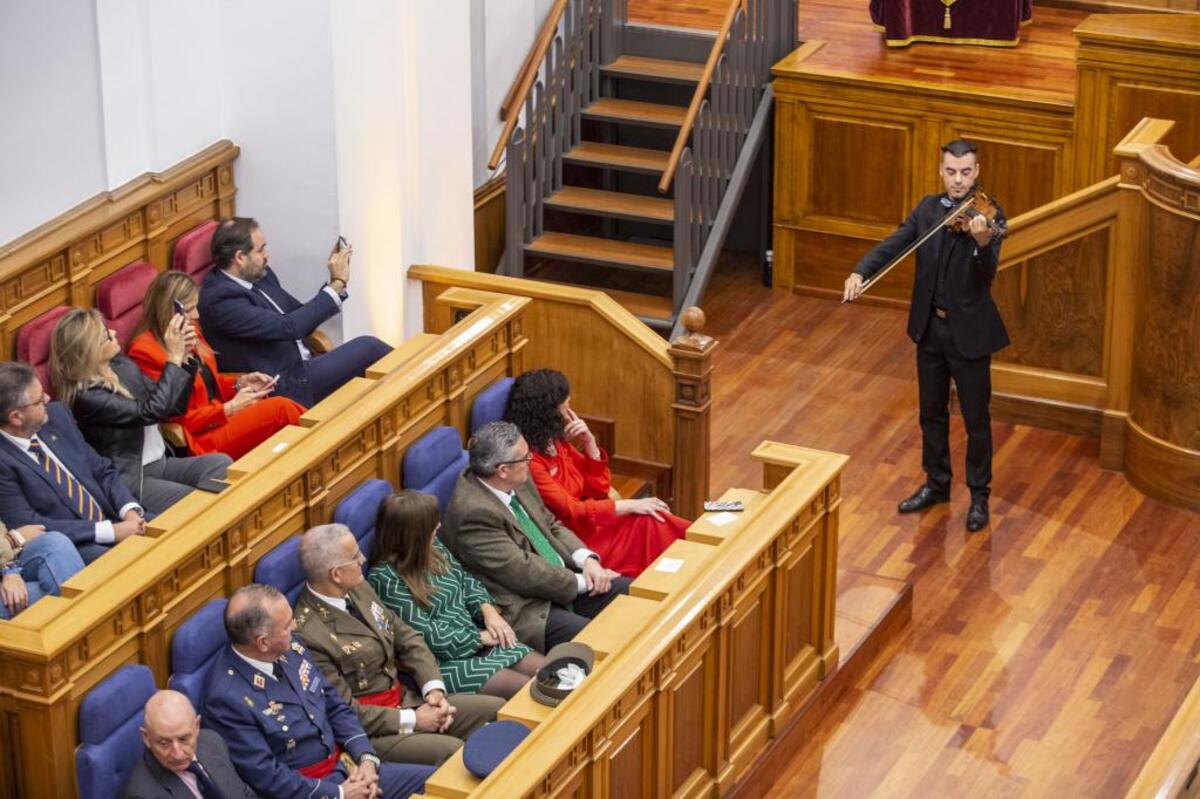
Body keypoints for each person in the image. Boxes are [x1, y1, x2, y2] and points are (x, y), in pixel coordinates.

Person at [843, 138, 1009, 533]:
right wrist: (860, 271)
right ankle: (936, 484)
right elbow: (896, 243)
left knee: (975, 419)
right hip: (930, 329)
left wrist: (983, 243)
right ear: (941, 171)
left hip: (968, 333)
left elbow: (985, 277)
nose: (958, 180)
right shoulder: (927, 209)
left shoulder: (987, 215)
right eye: (951, 172)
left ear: (977, 172)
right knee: (930, 413)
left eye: (965, 172)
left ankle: (979, 496)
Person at [293, 523, 504, 765]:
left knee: (497, 710)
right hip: (376, 732)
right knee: (454, 752)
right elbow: (345, 711)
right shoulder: (309, 634)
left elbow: (406, 637)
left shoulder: (358, 588)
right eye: (354, 557)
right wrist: (414, 719)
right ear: (336, 574)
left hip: (408, 699)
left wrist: (433, 691)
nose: (363, 559)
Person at [203, 583, 434, 799]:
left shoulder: (292, 648)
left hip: (347, 769)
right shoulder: (226, 698)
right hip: (312, 790)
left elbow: (334, 706)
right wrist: (340, 793)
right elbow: (267, 776)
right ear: (262, 642)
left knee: (437, 784)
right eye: (287, 625)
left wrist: (365, 758)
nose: (295, 626)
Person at [440, 421, 631, 654]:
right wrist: (583, 582)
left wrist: (588, 561)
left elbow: (549, 523)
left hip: (562, 579)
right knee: (598, 640)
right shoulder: (472, 514)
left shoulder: (516, 476)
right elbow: (522, 570)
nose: (531, 460)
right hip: (526, 604)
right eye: (525, 457)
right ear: (502, 470)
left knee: (631, 595)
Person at [506, 369, 689, 576]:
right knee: (648, 521)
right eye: (565, 407)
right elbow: (573, 510)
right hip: (577, 541)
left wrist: (590, 443)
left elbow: (600, 491)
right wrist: (631, 504)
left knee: (656, 519)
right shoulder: (531, 463)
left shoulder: (555, 441)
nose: (569, 412)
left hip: (595, 524)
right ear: (549, 414)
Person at [49, 308, 232, 515]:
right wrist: (172, 358)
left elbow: (171, 408)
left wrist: (185, 358)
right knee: (193, 501)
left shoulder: (121, 365)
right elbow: (149, 411)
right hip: (134, 479)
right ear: (90, 349)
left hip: (162, 463)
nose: (115, 333)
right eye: (107, 335)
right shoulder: (86, 397)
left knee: (221, 464)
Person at [367, 490, 545, 699]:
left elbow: (465, 580)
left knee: (549, 672)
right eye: (432, 525)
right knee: (530, 691)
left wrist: (488, 612)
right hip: (445, 662)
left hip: (478, 636)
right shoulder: (384, 578)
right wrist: (479, 639)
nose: (439, 526)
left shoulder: (434, 547)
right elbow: (427, 635)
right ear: (414, 534)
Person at [198, 217, 392, 407]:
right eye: (261, 249)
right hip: (286, 385)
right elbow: (289, 327)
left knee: (375, 377)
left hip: (305, 364)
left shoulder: (260, 276)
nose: (267, 255)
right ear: (240, 257)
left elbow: (299, 316)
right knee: (369, 348)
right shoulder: (220, 301)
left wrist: (334, 281)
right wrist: (337, 284)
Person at [128, 270, 306, 460]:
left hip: (221, 415)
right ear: (170, 313)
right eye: (189, 310)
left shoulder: (191, 329)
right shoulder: (145, 351)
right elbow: (173, 416)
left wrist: (240, 383)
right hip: (201, 437)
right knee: (281, 410)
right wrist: (230, 408)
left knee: (278, 406)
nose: (196, 315)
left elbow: (207, 383)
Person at [0, 361, 145, 564]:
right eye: (40, 400)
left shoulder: (57, 416)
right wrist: (109, 531)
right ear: (16, 417)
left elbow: (100, 469)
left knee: (174, 532)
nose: (48, 399)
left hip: (116, 518)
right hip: (74, 544)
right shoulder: (3, 461)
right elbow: (30, 525)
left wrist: (129, 510)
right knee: (131, 565)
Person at [121, 689, 259, 799]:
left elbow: (245, 794)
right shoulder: (141, 794)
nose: (178, 754)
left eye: (184, 739)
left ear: (197, 726)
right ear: (146, 737)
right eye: (164, 743)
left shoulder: (212, 741)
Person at [0, 521, 84, 620]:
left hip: (9, 558)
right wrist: (12, 539)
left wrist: (9, 569)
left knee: (54, 543)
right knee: (48, 593)